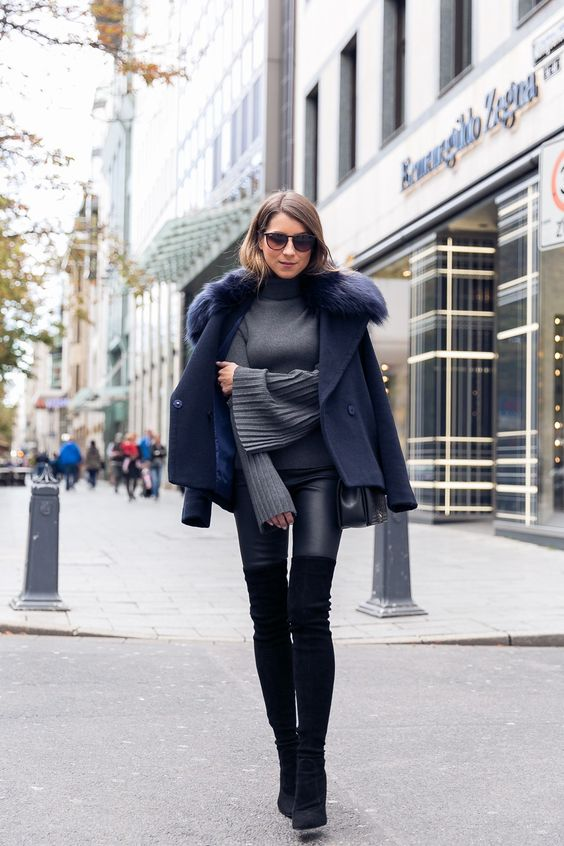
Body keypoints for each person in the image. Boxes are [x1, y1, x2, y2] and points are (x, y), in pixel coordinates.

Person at [168, 191, 416, 831]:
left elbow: (336, 389)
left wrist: (252, 382)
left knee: (311, 612)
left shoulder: (338, 309)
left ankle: (312, 766)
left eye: (300, 240)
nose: (287, 250)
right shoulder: (230, 309)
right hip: (258, 476)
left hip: (321, 472)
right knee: (268, 617)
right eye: (276, 238)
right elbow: (225, 409)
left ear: (315, 244)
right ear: (258, 240)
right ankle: (286, 755)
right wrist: (263, 475)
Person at [121, 433, 141, 501]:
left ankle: (132, 492)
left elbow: (139, 455)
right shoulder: (125, 444)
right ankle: (129, 494)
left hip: (134, 465)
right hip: (127, 465)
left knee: (135, 480)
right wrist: (129, 456)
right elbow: (122, 454)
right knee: (127, 480)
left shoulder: (137, 445)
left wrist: (135, 456)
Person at [150, 435, 167, 499]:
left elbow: (164, 453)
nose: (158, 440)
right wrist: (159, 453)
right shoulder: (152, 446)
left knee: (159, 480)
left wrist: (158, 453)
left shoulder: (162, 446)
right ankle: (154, 493)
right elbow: (152, 454)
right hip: (153, 465)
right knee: (154, 480)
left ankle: (157, 492)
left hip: (160, 465)